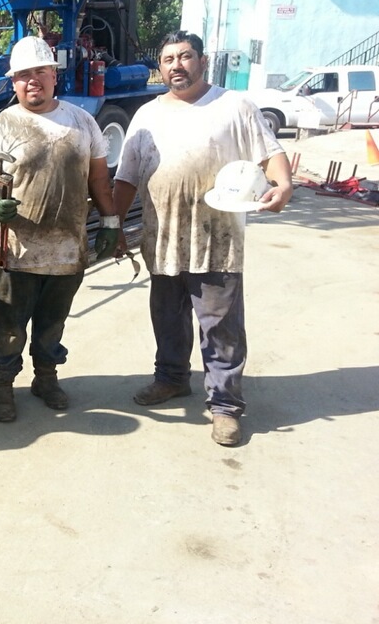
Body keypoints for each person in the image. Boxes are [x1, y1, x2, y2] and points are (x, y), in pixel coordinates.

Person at [112, 30, 293, 447]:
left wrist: (283, 186)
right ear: (160, 66)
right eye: (168, 59)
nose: (177, 65)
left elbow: (271, 152)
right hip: (162, 237)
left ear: (203, 60)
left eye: (185, 56)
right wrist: (114, 226)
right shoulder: (147, 115)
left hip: (218, 237)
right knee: (167, 318)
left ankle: (226, 406)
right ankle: (172, 379)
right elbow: (126, 178)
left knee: (220, 326)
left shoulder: (234, 106)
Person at [0, 36, 119, 423]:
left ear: (54, 75)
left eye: (40, 72)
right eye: (23, 75)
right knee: (9, 325)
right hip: (13, 249)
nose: (33, 80)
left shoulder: (82, 122)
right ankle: (1, 384)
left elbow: (99, 179)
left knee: (53, 322)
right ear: (13, 83)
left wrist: (111, 222)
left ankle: (45, 378)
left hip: (67, 248)